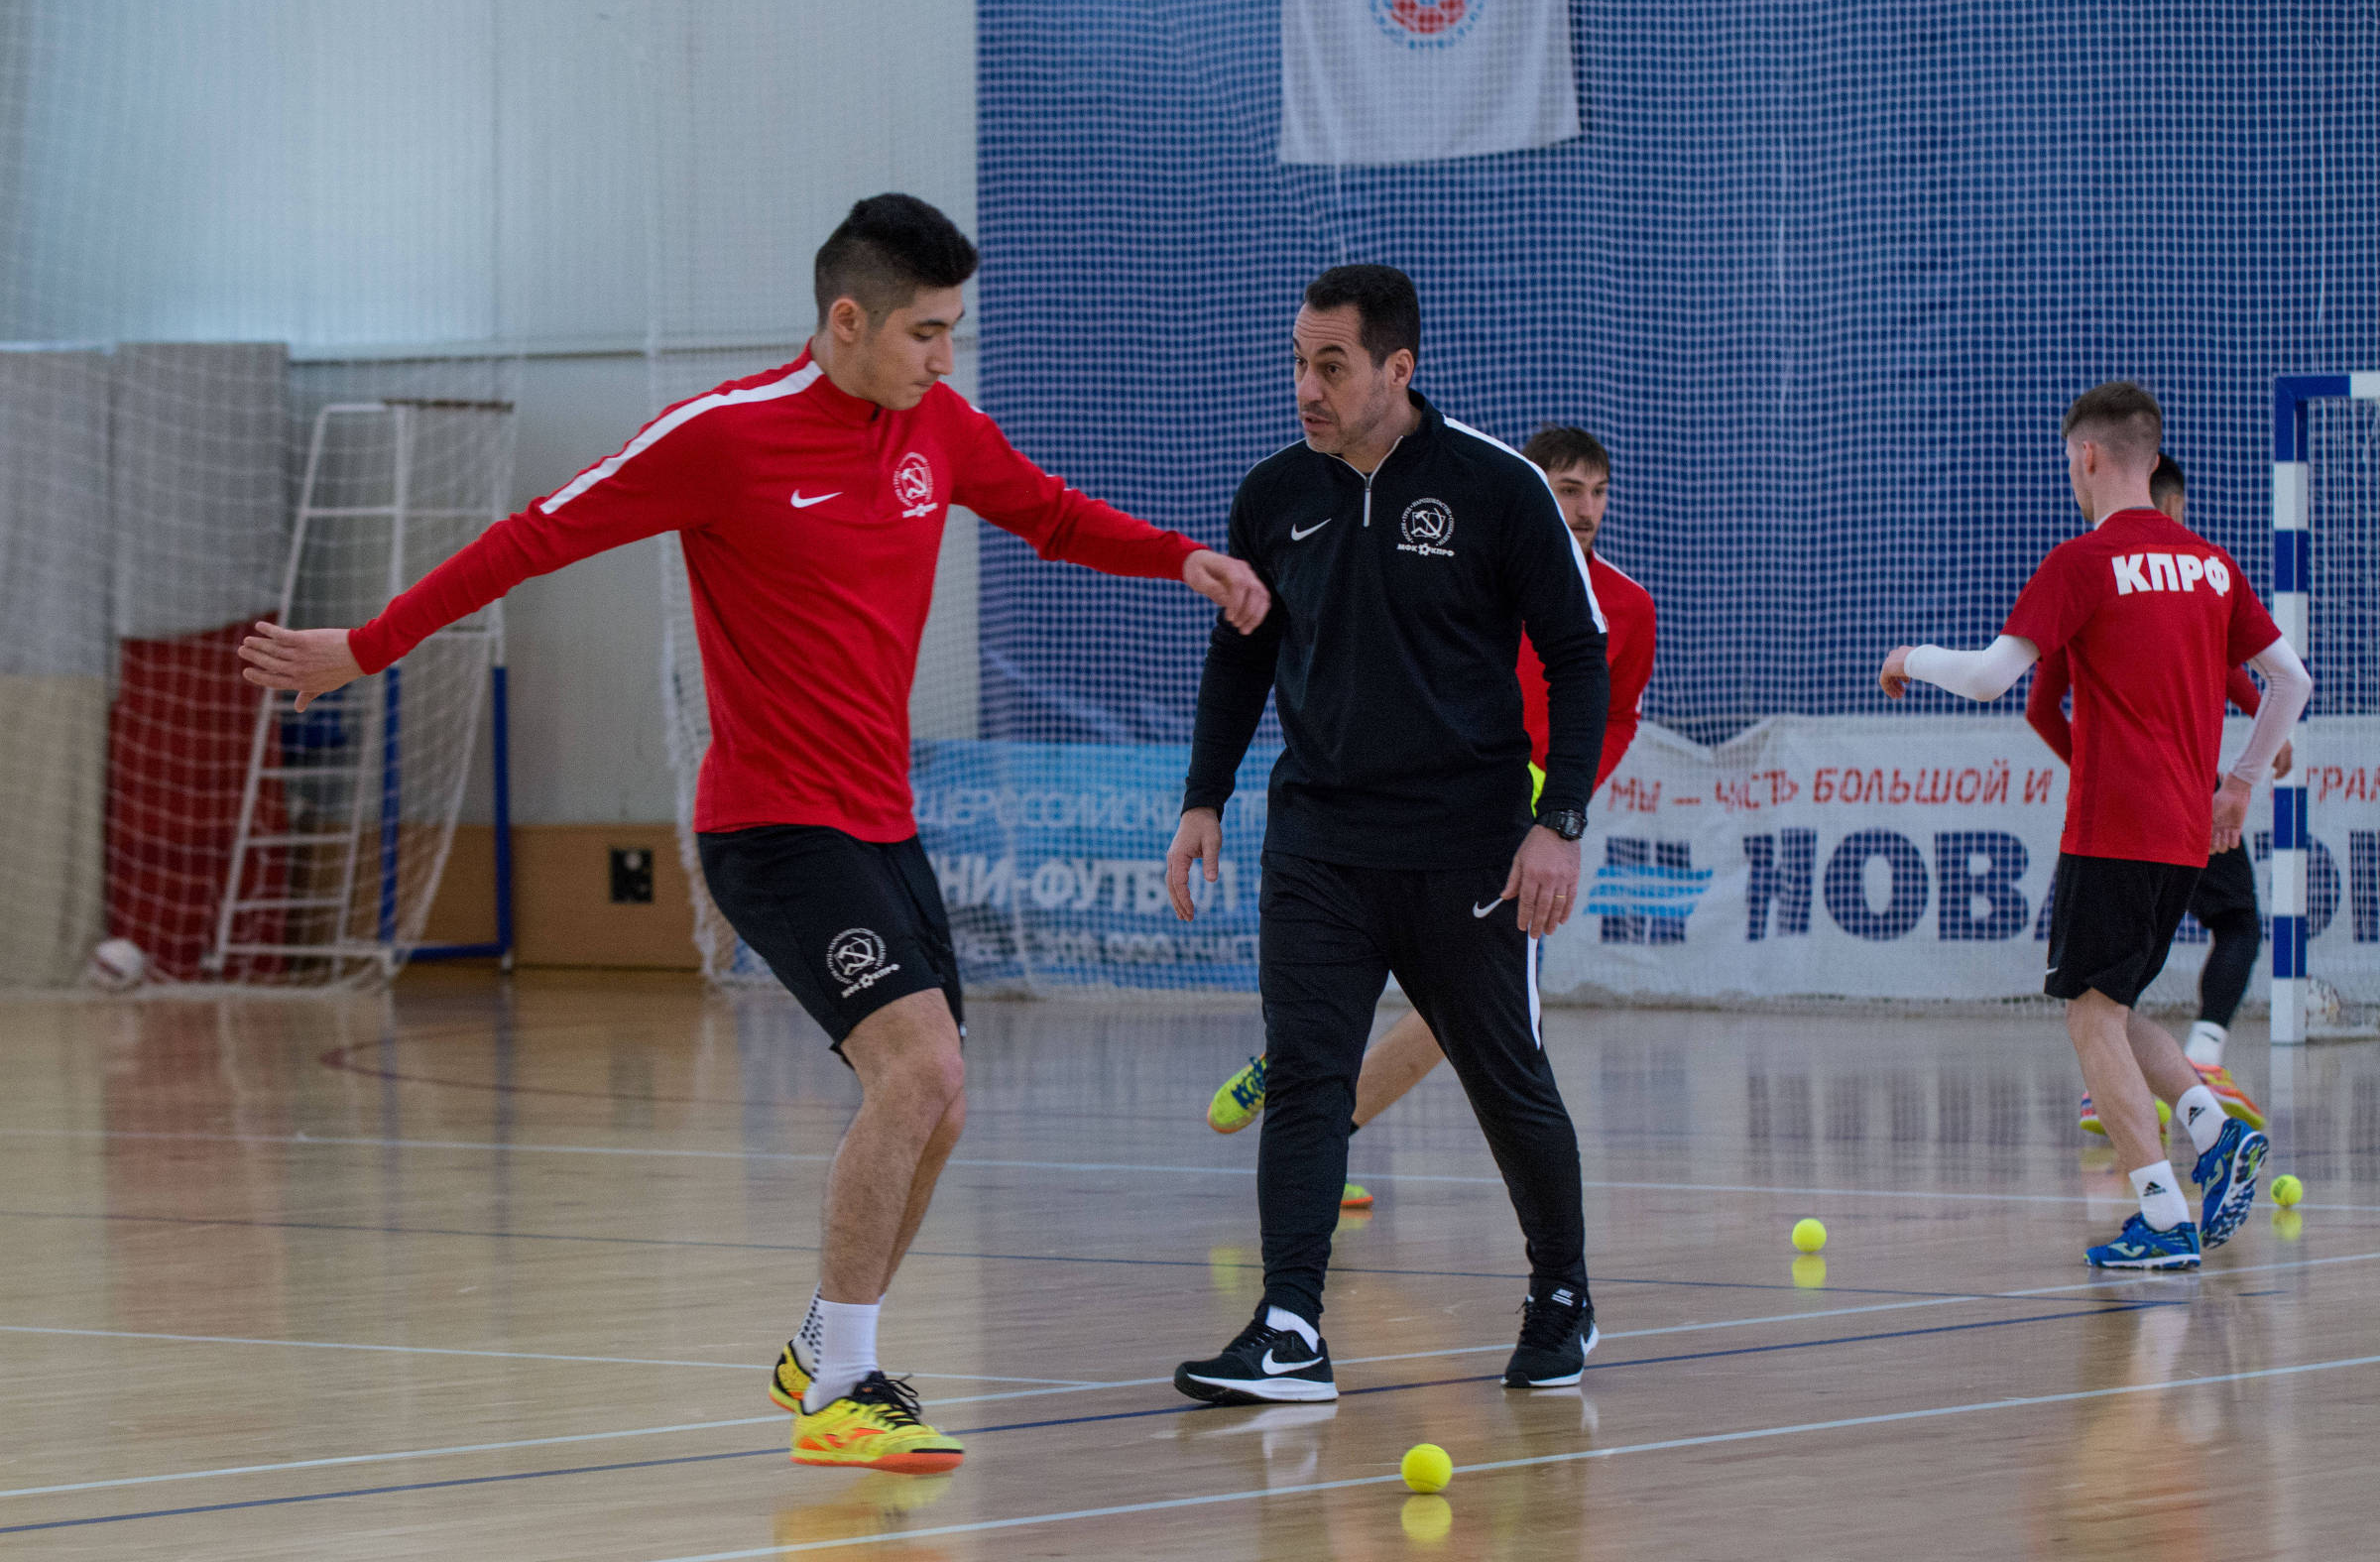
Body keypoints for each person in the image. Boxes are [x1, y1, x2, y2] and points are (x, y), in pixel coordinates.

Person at [236, 193, 1269, 1473]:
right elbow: (532, 537)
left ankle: (820, 1350)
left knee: (940, 1108)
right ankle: (844, 1386)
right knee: (922, 1074)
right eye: (927, 333)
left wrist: (1185, 561)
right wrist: (365, 647)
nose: (947, 359)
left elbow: (1047, 512)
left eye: (956, 333)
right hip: (771, 826)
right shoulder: (721, 436)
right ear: (848, 320)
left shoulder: (934, 427)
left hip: (881, 824)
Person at [1164, 264, 1611, 1403]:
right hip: (1317, 843)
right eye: (1298, 361)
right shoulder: (1272, 495)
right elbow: (1242, 654)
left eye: (1332, 365)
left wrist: (1556, 823)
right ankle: (1289, 1325)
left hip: (1466, 844)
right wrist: (1203, 797)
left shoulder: (1497, 487)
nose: (1307, 387)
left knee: (1504, 1075)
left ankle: (1561, 1290)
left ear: (1397, 369)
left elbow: (1576, 656)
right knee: (1312, 1075)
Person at [1879, 382, 2309, 1270]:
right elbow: (2292, 683)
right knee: (2107, 1008)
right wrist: (2237, 787)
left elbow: (1997, 679)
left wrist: (1909, 659)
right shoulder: (2212, 565)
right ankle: (2213, 1133)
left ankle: (2161, 1213)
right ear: (2153, 458)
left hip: (2112, 826)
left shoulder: (2083, 561)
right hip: (2188, 833)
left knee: (2089, 1020)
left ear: (2085, 458)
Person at [1202, 427, 1657, 1210]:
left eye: (1596, 492)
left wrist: (1563, 803)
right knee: (1444, 1004)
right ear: (1530, 491)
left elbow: (1615, 714)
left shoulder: (1630, 606)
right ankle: (1305, 1086)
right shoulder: (1486, 563)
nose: (1582, 510)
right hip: (1450, 799)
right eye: (1565, 491)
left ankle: (1319, 1114)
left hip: (1534, 814)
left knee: (1471, 1018)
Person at [2030, 453, 2270, 1140]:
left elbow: (2034, 702)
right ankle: (2205, 1066)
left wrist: (2093, 766)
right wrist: (2256, 753)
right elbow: (2250, 670)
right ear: (2167, 508)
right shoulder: (2199, 574)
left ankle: (2129, 1112)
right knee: (2237, 924)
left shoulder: (2083, 578)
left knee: (2097, 988)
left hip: (2111, 818)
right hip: (2189, 809)